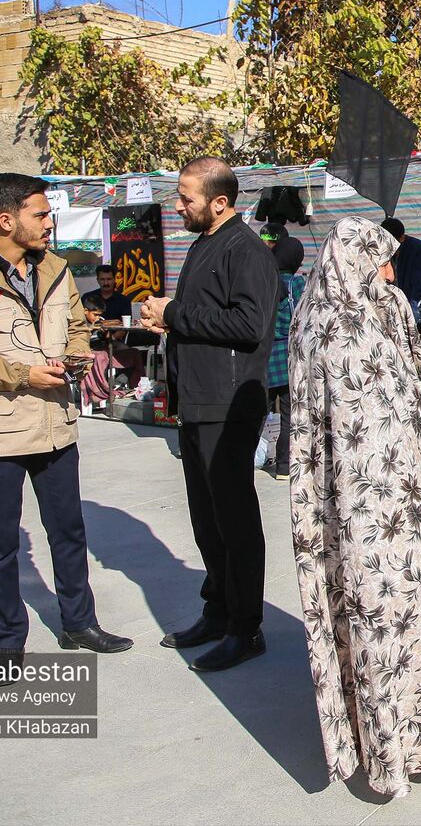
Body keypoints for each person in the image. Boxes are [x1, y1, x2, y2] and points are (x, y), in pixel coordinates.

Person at [287, 217, 421, 797]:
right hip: (360, 512)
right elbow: (323, 429)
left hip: (402, 503)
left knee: (409, 613)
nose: (392, 272)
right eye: (382, 260)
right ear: (353, 261)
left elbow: (414, 394)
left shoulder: (380, 309)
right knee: (377, 618)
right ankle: (385, 745)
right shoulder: (324, 325)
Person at [0, 173, 132, 677]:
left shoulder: (56, 270)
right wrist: (22, 374)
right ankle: (9, 641)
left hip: (55, 423)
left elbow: (78, 327)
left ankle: (79, 624)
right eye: (40, 215)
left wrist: (76, 355)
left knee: (68, 531)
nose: (49, 223)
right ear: (6, 220)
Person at [139, 157, 280, 672]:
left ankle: (246, 627)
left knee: (233, 521)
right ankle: (218, 610)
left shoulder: (247, 251)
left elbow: (249, 325)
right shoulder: (205, 243)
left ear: (220, 202)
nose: (178, 206)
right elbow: (208, 317)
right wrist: (170, 320)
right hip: (197, 401)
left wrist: (174, 313)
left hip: (228, 404)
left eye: (187, 198)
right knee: (206, 519)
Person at [265, 235, 305, 480]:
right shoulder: (296, 284)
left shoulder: (263, 280)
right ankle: (283, 467)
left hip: (263, 357)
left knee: (258, 413)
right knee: (290, 415)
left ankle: (243, 459)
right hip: (289, 356)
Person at [79, 263, 148, 406]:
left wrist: (112, 337)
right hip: (91, 343)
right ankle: (101, 391)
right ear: (98, 280)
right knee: (98, 357)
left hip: (114, 340)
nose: (106, 282)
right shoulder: (88, 298)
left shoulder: (123, 300)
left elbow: (124, 326)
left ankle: (137, 389)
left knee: (134, 354)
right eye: (102, 279)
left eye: (109, 279)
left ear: (114, 279)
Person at [380, 217, 421, 323]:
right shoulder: (380, 248)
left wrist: (412, 316)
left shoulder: (415, 248)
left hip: (411, 304)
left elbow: (419, 285)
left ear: (402, 238)